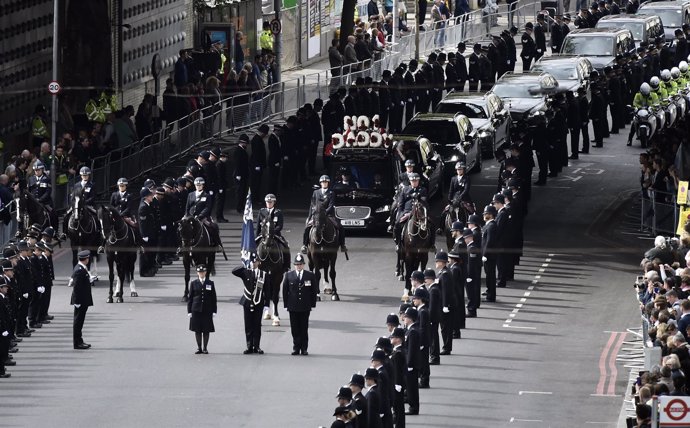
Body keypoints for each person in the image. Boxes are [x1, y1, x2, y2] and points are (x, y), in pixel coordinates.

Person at [282, 253, 318, 355]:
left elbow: (313, 290)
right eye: (297, 264)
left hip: (305, 306)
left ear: (303, 265)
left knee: (304, 328)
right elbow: (285, 291)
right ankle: (296, 348)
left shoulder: (310, 275)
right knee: (294, 328)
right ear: (294, 265)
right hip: (293, 306)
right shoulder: (289, 275)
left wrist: (312, 304)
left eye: (300, 264)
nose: (299, 266)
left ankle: (304, 348)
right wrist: (285, 305)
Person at [301, 175, 347, 254]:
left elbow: (331, 205)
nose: (324, 184)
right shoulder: (316, 192)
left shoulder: (331, 193)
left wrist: (324, 212)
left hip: (328, 214)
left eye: (326, 182)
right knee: (307, 228)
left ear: (328, 183)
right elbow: (312, 205)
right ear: (320, 183)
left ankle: (342, 245)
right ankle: (304, 245)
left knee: (340, 227)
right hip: (317, 215)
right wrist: (310, 217)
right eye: (323, 182)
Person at [232, 254, 267, 354]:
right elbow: (234, 271)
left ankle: (257, 346)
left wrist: (267, 305)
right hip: (247, 302)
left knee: (257, 325)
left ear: (259, 262)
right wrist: (245, 264)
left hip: (258, 302)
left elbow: (267, 291)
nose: (254, 263)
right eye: (252, 261)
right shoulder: (245, 272)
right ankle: (249, 346)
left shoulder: (263, 274)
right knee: (248, 325)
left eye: (255, 261)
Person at [256, 194, 291, 271]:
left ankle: (286, 266)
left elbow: (280, 226)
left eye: (271, 202)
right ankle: (252, 263)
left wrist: (272, 232)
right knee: (253, 247)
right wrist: (256, 236)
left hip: (275, 234)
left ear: (274, 202)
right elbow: (258, 225)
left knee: (285, 247)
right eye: (268, 202)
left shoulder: (278, 212)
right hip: (263, 234)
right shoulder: (262, 211)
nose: (269, 203)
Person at [187, 264, 217, 354]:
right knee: (197, 330)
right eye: (200, 272)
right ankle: (199, 347)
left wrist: (214, 310)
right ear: (197, 273)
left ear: (205, 272)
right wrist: (189, 311)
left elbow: (213, 298)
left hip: (207, 309)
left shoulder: (210, 283)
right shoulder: (193, 283)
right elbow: (190, 298)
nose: (201, 274)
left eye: (203, 272)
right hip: (196, 309)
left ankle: (205, 348)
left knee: (206, 330)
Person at [71, 250, 94, 350]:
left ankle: (79, 340)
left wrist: (89, 279)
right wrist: (77, 302)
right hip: (80, 301)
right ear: (86, 259)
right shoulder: (79, 270)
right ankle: (77, 343)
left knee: (80, 321)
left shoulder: (81, 268)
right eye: (88, 258)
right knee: (78, 322)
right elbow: (76, 287)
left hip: (82, 300)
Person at [402, 307, 421, 415]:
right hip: (411, 364)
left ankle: (413, 408)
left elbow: (411, 350)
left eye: (406, 316)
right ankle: (412, 406)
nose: (404, 318)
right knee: (410, 387)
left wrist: (409, 364)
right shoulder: (410, 330)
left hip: (412, 365)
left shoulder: (412, 332)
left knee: (412, 387)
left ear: (411, 318)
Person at [138, 187, 157, 277]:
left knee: (149, 253)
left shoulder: (148, 205)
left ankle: (148, 269)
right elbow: (142, 223)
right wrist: (144, 235)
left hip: (150, 233)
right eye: (150, 195)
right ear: (146, 197)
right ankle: (143, 271)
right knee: (144, 254)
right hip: (146, 235)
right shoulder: (143, 207)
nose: (152, 197)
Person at [234, 134, 250, 214]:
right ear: (242, 143)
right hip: (240, 174)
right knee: (240, 191)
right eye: (246, 143)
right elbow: (237, 164)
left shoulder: (241, 150)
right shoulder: (238, 151)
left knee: (243, 191)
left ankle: (241, 206)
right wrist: (238, 174)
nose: (246, 145)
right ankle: (239, 207)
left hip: (243, 174)